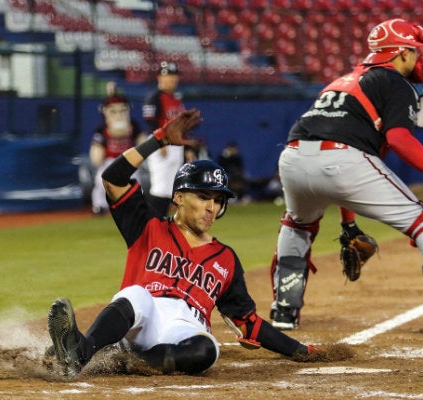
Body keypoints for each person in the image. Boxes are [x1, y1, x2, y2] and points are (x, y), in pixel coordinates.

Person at [268, 18, 423, 335]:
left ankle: (284, 311)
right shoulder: (395, 83)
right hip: (344, 159)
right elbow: (398, 140)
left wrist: (347, 223)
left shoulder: (340, 82)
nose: (422, 58)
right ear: (401, 54)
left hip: (293, 157)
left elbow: (339, 160)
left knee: (297, 224)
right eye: (417, 51)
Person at [47, 109, 318, 377]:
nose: (211, 207)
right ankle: (80, 352)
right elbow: (113, 178)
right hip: (142, 317)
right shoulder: (147, 226)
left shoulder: (226, 259)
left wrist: (299, 350)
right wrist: (160, 139)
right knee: (135, 295)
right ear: (178, 197)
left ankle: (127, 362)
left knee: (207, 349)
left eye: (218, 200)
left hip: (184, 327)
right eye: (203, 197)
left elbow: (247, 324)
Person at [143, 61, 186, 217]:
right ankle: (151, 224)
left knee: (170, 188)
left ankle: (161, 224)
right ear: (159, 77)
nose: (172, 79)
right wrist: (159, 142)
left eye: (174, 76)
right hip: (162, 144)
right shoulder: (155, 97)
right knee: (160, 187)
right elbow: (150, 121)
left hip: (175, 144)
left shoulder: (175, 98)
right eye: (168, 75)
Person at [89, 94, 145, 215]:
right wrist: (97, 156)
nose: (118, 114)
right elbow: (97, 146)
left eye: (122, 110)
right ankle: (99, 206)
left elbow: (141, 140)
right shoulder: (102, 129)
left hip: (128, 159)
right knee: (101, 181)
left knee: (134, 182)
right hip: (110, 160)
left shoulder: (133, 125)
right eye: (113, 111)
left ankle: (136, 206)